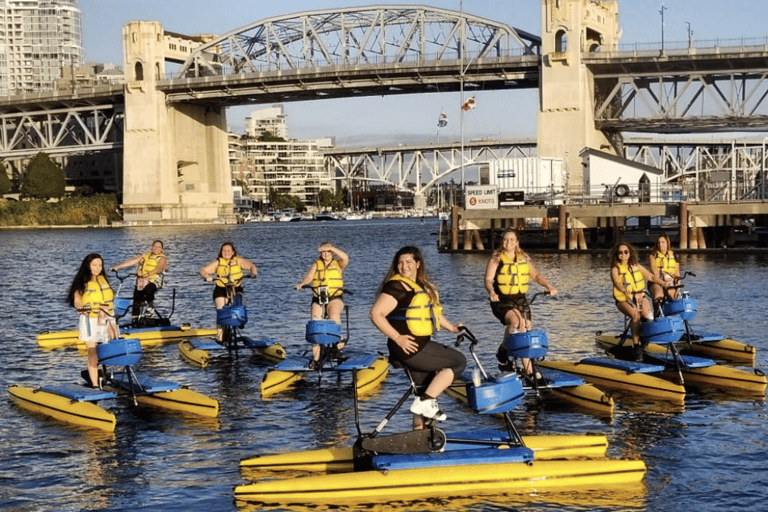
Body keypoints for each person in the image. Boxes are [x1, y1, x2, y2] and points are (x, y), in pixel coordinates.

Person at [370, 246, 465, 428]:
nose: (404, 267)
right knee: (458, 362)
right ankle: (427, 401)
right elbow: (376, 314)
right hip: (410, 347)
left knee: (422, 391)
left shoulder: (421, 287)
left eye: (408, 262)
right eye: (400, 263)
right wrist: (398, 338)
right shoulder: (396, 286)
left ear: (418, 264)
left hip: (417, 345)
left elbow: (433, 313)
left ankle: (419, 437)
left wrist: (452, 327)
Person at [484, 228, 558, 380]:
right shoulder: (496, 259)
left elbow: (536, 275)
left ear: (517, 242)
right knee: (516, 322)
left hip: (520, 298)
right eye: (505, 239)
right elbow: (488, 280)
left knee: (526, 330)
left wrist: (548, 286)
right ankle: (503, 350)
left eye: (511, 240)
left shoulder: (524, 258)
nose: (508, 242)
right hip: (501, 299)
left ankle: (529, 371)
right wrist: (491, 291)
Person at [67, 253, 119, 388]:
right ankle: (95, 384)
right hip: (90, 320)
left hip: (107, 318)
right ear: (88, 266)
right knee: (92, 350)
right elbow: (77, 300)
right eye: (94, 265)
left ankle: (111, 376)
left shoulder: (104, 280)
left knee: (113, 345)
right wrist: (80, 306)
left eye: (100, 265)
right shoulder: (82, 282)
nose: (97, 268)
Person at [294, 242, 350, 367]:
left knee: (333, 314)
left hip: (335, 296)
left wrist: (332, 248)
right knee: (315, 322)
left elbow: (345, 257)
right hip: (319, 297)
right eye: (323, 252)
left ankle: (337, 343)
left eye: (328, 252)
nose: (326, 254)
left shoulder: (338, 264)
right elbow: (309, 276)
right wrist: (302, 283)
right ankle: (316, 359)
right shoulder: (316, 264)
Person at [610, 242, 666, 361]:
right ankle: (636, 347)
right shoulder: (615, 268)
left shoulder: (636, 266)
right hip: (624, 299)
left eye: (626, 252)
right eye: (620, 253)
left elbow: (651, 277)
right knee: (635, 315)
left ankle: (644, 342)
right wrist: (623, 289)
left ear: (630, 253)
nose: (623, 255)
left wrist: (664, 284)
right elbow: (616, 282)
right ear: (617, 254)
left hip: (640, 296)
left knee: (649, 318)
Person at [199, 242, 258, 342]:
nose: (226, 253)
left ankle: (240, 321)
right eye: (224, 251)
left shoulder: (238, 261)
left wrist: (253, 273)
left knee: (241, 304)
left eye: (228, 251)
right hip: (221, 290)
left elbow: (252, 266)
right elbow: (203, 270)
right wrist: (207, 277)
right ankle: (220, 338)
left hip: (236, 289)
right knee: (221, 311)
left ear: (233, 252)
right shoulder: (218, 262)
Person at [109, 240, 168, 323]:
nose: (156, 248)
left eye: (159, 247)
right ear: (151, 247)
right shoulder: (145, 256)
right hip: (142, 280)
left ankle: (150, 309)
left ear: (162, 249)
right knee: (137, 296)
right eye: (155, 246)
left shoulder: (162, 258)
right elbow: (132, 261)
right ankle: (135, 319)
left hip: (154, 281)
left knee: (148, 290)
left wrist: (148, 274)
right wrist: (117, 267)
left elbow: (159, 268)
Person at [649, 234, 681, 314]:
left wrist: (677, 287)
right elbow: (654, 273)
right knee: (658, 296)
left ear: (667, 243)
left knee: (673, 296)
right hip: (656, 282)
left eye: (663, 242)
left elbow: (677, 274)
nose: (660, 245)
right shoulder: (653, 256)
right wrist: (664, 277)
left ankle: (672, 316)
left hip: (670, 282)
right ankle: (657, 315)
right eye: (659, 242)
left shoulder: (673, 256)